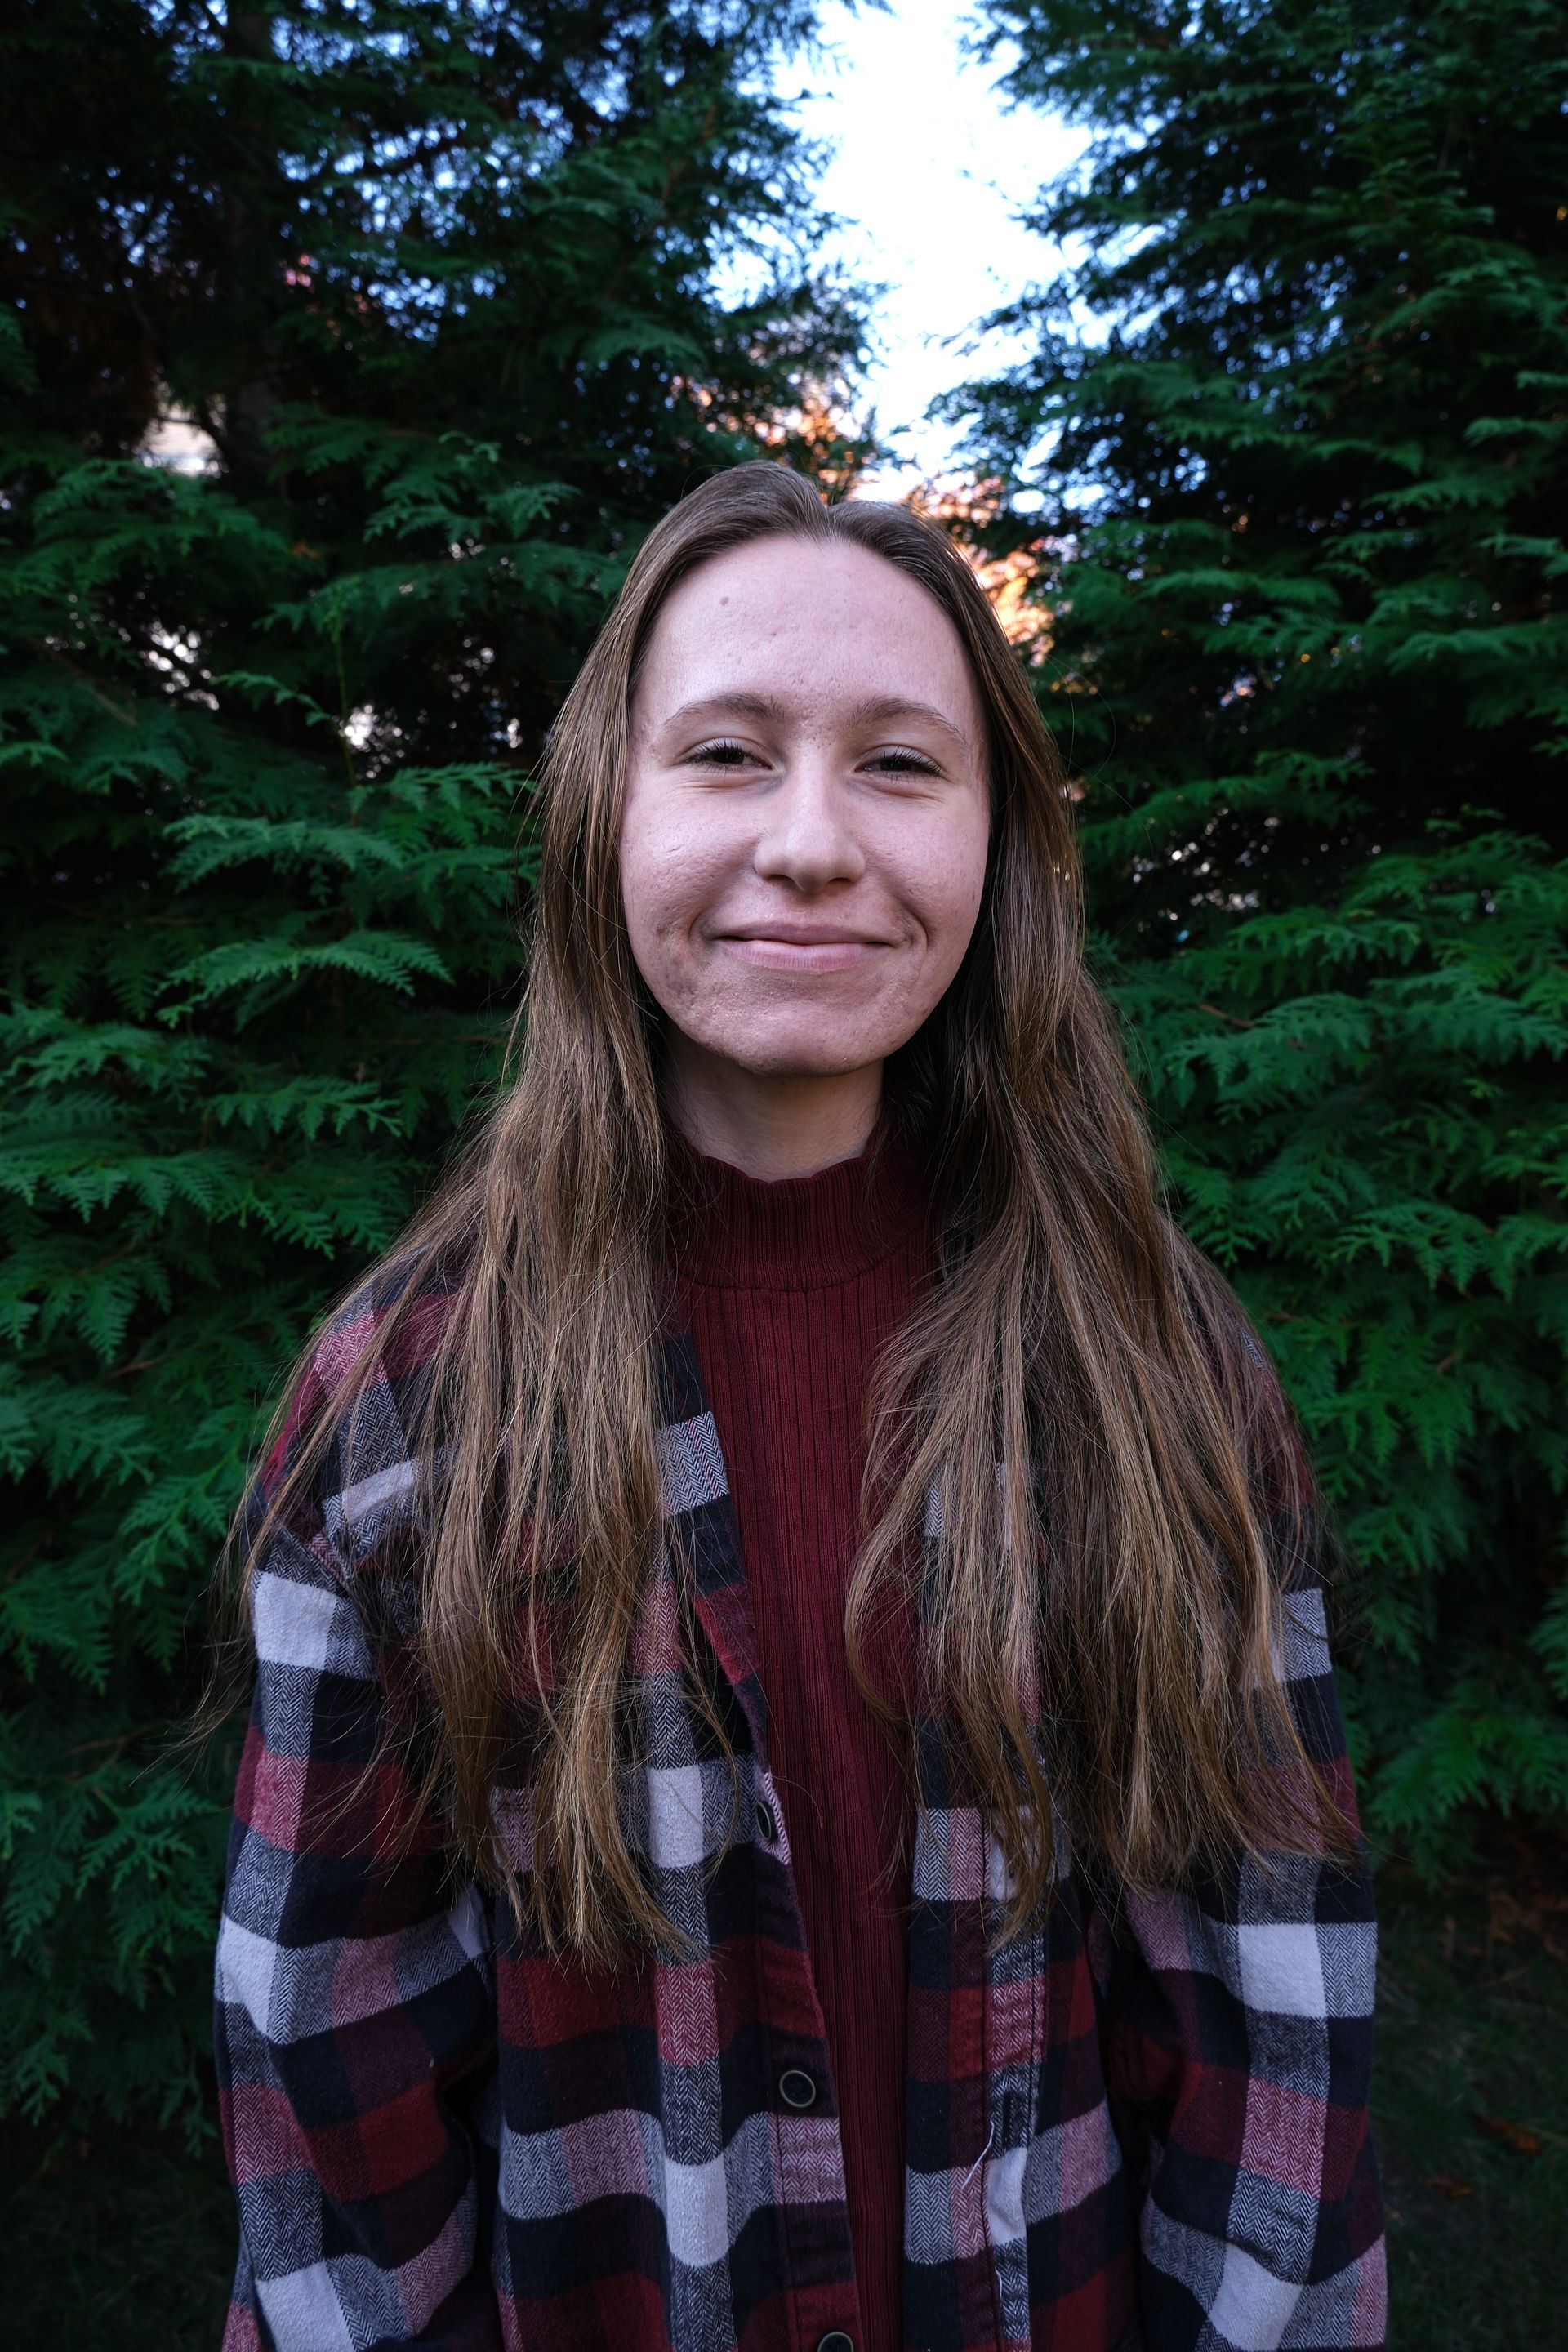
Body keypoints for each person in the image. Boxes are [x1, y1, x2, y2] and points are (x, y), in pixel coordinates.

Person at [214, 464, 1385, 2352]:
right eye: (732, 754)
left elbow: (1276, 2027)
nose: (817, 843)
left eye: (904, 766)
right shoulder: (403, 1407)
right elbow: (321, 2069)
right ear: (612, 813)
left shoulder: (1159, 1373)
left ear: (1000, 841)